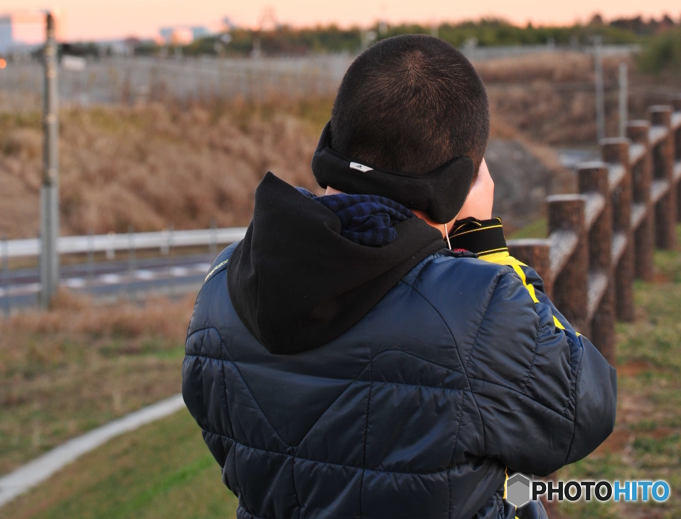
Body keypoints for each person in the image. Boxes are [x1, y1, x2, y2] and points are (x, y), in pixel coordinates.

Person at [183, 35, 616, 519]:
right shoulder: (476, 311)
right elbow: (586, 408)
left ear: (328, 147)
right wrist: (483, 246)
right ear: (458, 184)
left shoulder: (223, 283)